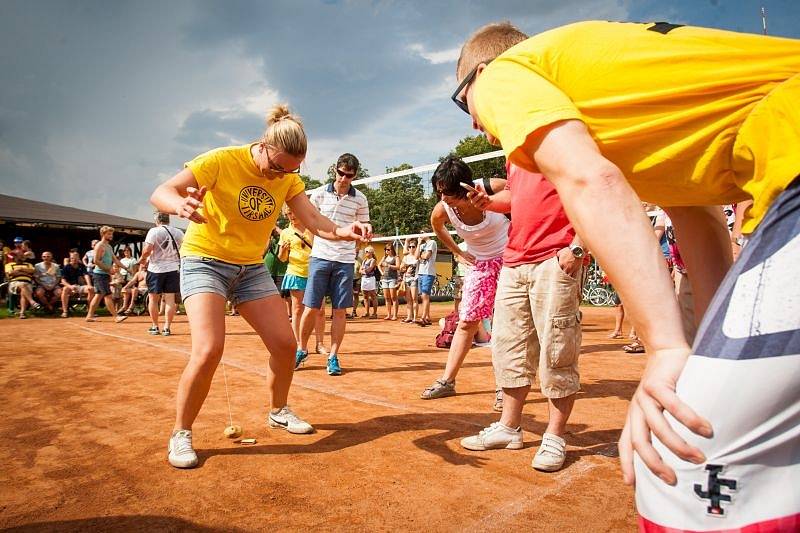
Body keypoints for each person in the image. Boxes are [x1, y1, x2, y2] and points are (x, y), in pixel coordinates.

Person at [454, 21, 800, 528]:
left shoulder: (505, 74)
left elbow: (589, 177)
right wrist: (701, 352)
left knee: (679, 475)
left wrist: (664, 347)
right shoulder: (648, 125)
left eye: (464, 103)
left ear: (478, 73)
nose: (474, 125)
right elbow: (698, 219)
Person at [150, 104, 370, 469]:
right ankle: (181, 432)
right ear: (264, 146)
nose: (281, 175)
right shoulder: (221, 160)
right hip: (206, 260)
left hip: (250, 267)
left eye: (292, 170)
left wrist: (345, 231)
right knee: (208, 349)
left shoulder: (287, 177)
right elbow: (162, 191)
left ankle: (278, 410)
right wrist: (181, 206)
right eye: (278, 167)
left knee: (285, 346)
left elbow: (312, 218)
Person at [463, 161, 585, 471]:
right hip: (515, 261)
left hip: (555, 258)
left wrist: (579, 248)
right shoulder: (515, 151)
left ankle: (555, 435)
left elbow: (592, 188)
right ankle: (509, 427)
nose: (478, 126)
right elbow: (516, 198)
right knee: (509, 347)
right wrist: (489, 203)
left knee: (557, 350)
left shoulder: (560, 139)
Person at [420, 156, 509, 408]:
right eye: (439, 192)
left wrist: (496, 205)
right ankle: (447, 381)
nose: (443, 197)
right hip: (480, 264)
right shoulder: (442, 208)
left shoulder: (490, 187)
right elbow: (437, 227)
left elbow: (520, 190)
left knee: (505, 324)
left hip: (510, 258)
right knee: (467, 321)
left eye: (448, 192)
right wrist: (459, 253)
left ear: (463, 186)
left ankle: (505, 386)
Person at [296, 153, 372, 376]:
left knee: (340, 311)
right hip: (320, 256)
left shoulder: (361, 199)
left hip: (345, 260)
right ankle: (301, 349)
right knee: (310, 307)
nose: (343, 179)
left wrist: (364, 233)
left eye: (349, 175)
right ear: (334, 170)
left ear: (354, 175)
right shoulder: (318, 194)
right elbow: (309, 220)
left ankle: (333, 356)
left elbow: (364, 225)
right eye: (340, 173)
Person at [278, 205, 327, 357]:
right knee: (297, 310)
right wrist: (284, 250)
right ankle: (299, 344)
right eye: (288, 213)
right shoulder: (285, 233)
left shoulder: (311, 229)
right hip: (295, 272)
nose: (291, 216)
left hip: (315, 273)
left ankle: (320, 344)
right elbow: (282, 258)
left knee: (320, 310)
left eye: (293, 212)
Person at [139, 212, 184, 336]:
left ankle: (155, 326)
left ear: (157, 220)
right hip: (173, 268)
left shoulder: (154, 231)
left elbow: (147, 250)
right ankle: (167, 328)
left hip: (156, 269)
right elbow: (183, 248)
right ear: (168, 219)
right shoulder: (179, 232)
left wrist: (142, 259)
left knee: (153, 299)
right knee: (170, 299)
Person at [85, 226, 128, 323]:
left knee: (98, 295)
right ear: (103, 234)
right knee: (108, 295)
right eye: (109, 234)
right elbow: (96, 261)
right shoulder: (99, 246)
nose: (111, 235)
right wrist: (109, 269)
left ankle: (89, 316)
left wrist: (126, 268)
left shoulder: (109, 246)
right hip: (99, 275)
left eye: (111, 234)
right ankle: (116, 316)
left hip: (104, 275)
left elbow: (115, 259)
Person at [60, 251, 94, 317]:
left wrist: (89, 284)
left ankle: (90, 311)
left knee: (91, 289)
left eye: (76, 258)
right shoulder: (66, 267)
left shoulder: (82, 266)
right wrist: (70, 286)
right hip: (70, 286)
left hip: (80, 287)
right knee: (65, 289)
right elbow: (63, 280)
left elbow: (86, 276)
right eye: (72, 258)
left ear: (78, 258)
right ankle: (65, 311)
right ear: (70, 258)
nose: (74, 260)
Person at [4, 251, 38, 318]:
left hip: (28, 283)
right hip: (14, 283)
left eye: (22, 255)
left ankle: (22, 313)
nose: (22, 257)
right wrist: (25, 273)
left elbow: (32, 271)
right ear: (15, 257)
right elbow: (10, 273)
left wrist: (20, 269)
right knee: (23, 285)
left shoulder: (29, 264)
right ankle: (32, 302)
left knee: (23, 291)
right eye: (20, 255)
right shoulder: (9, 265)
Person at [415, 233, 438, 326]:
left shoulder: (432, 242)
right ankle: (427, 317)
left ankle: (423, 317)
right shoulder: (422, 245)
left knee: (425, 296)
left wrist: (422, 254)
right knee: (423, 296)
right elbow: (416, 257)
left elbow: (426, 256)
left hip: (428, 273)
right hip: (421, 272)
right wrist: (419, 244)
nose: (420, 235)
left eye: (422, 233)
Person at [399, 237, 419, 323]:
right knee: (408, 299)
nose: (411, 248)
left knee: (414, 298)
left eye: (413, 246)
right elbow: (401, 268)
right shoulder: (406, 257)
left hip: (414, 279)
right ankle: (409, 317)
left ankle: (415, 317)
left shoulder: (417, 257)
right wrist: (405, 268)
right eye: (410, 247)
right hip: (406, 279)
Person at [378, 243, 400, 320]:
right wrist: (382, 272)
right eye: (385, 249)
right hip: (384, 278)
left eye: (388, 249)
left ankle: (395, 315)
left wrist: (388, 265)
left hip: (392, 278)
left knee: (393, 297)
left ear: (392, 250)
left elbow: (398, 267)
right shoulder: (384, 257)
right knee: (387, 297)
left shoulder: (396, 257)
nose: (387, 251)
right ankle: (389, 314)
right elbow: (379, 265)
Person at [359, 246, 378, 318]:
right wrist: (363, 271)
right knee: (365, 296)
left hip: (370, 279)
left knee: (373, 295)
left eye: (367, 251)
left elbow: (369, 270)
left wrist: (363, 270)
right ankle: (367, 312)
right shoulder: (364, 261)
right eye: (365, 251)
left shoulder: (373, 260)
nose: (365, 253)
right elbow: (360, 270)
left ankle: (375, 313)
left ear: (371, 252)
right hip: (364, 279)